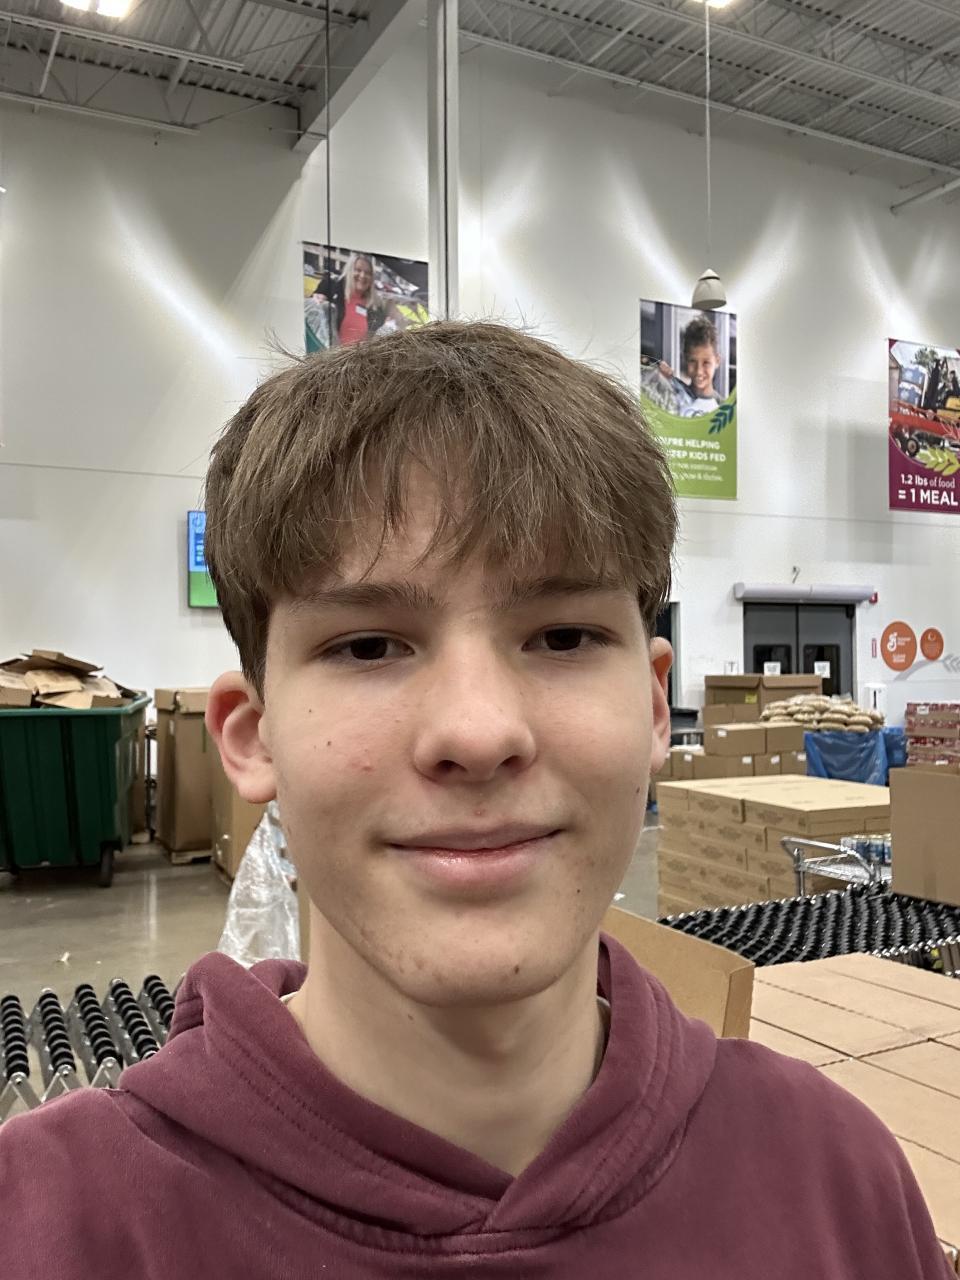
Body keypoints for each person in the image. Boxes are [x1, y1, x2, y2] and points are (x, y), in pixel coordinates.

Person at [0, 323, 951, 1279]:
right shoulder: (50, 1229)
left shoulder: (836, 1182)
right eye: (368, 646)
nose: (478, 731)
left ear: (655, 707)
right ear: (252, 737)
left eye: (563, 637)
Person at [657, 313, 722, 418]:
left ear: (717, 361)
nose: (699, 371)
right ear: (685, 359)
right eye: (693, 361)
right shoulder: (673, 396)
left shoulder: (725, 408)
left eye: (706, 363)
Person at [330, 250, 385, 345]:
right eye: (358, 270)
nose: (362, 275)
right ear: (349, 271)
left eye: (367, 273)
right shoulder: (334, 292)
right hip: (332, 353)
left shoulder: (375, 307)